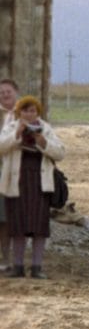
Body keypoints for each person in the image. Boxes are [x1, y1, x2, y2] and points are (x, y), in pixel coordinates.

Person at [0, 95, 65, 278]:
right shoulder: (11, 127)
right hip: (17, 182)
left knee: (39, 227)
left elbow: (60, 152)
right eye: (26, 110)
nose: (30, 114)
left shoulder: (45, 128)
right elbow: (1, 147)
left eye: (33, 111)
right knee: (18, 225)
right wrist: (17, 134)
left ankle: (37, 267)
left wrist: (43, 142)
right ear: (19, 112)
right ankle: (18, 266)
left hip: (39, 183)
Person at [0, 78, 19, 272]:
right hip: (1, 171)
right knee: (2, 218)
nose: (5, 95)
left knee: (13, 218)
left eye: (8, 91)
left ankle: (14, 258)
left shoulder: (26, 114)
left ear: (16, 92)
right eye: (2, 93)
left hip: (21, 173)